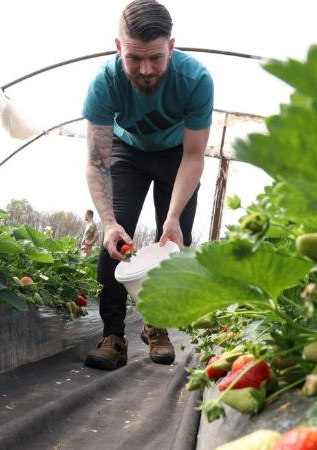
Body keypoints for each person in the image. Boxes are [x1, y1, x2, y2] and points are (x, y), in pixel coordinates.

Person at [82, 0, 213, 370]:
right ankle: (113, 335)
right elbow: (96, 161)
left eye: (155, 57)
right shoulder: (105, 82)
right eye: (134, 58)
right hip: (127, 152)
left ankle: (156, 325)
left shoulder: (195, 80)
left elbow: (194, 156)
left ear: (171, 47)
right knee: (114, 242)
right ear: (118, 47)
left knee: (172, 241)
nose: (145, 69)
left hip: (177, 156)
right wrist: (108, 222)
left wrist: (173, 217)